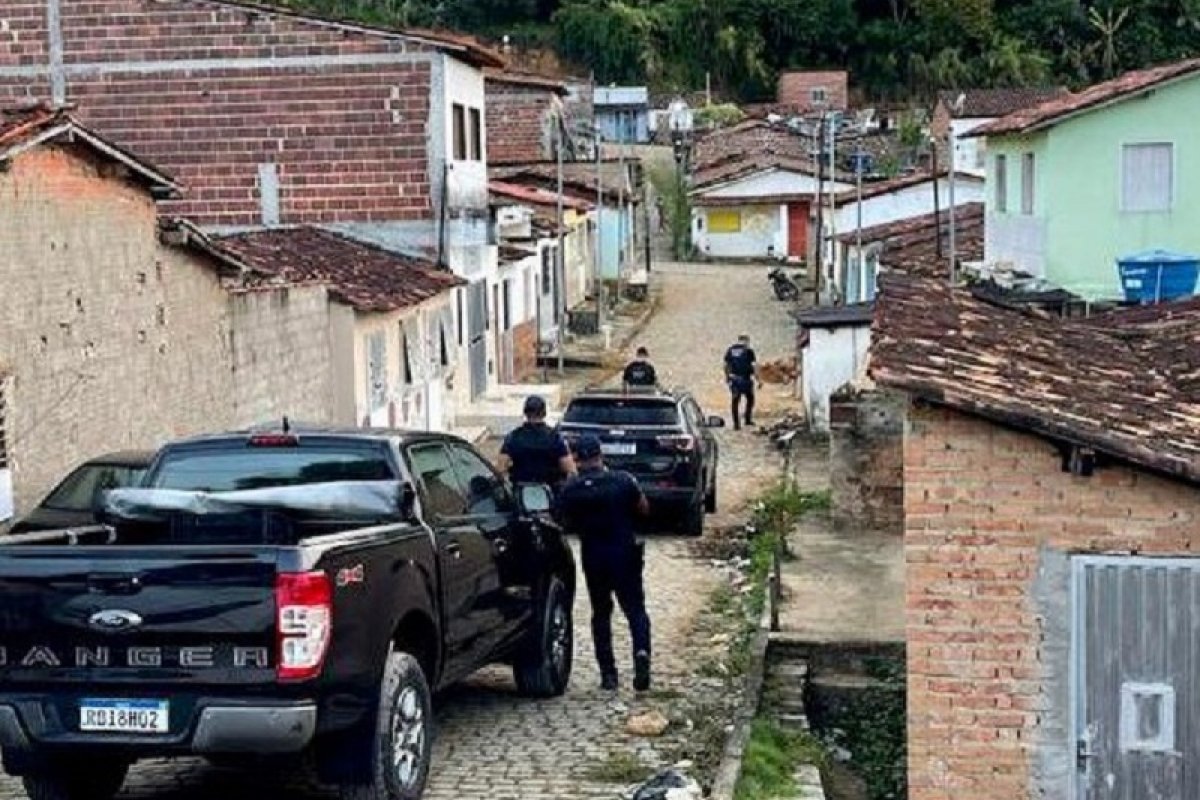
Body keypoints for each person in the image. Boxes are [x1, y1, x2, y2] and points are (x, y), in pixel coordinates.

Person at [558, 435, 653, 692]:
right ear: (600, 455)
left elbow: (562, 518)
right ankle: (641, 652)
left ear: (577, 458)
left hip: (594, 555)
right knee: (635, 609)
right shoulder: (623, 481)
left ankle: (608, 674)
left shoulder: (573, 489)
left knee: (601, 613)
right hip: (624, 552)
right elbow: (644, 508)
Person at [498, 395, 576, 489]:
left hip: (521, 494)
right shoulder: (555, 437)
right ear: (544, 413)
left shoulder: (513, 437)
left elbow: (500, 469)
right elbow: (571, 471)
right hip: (550, 493)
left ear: (525, 413)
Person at [724, 334, 759, 430]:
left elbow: (726, 365)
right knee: (750, 399)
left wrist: (727, 377)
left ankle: (736, 424)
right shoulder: (749, 351)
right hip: (746, 379)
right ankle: (747, 419)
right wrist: (758, 379)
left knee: (735, 401)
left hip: (734, 379)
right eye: (747, 342)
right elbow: (754, 366)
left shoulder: (730, 350)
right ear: (746, 341)